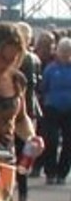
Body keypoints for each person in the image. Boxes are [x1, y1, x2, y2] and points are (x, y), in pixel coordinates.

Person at [0, 20, 35, 201]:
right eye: (3, 58)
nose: (7, 64)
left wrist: (32, 138)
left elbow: (21, 118)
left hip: (6, 159)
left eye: (14, 59)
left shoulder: (18, 81)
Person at [40, 37, 71, 185]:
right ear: (58, 52)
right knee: (51, 141)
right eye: (63, 51)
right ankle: (50, 172)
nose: (65, 54)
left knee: (68, 142)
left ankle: (62, 173)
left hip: (69, 109)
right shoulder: (51, 68)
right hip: (52, 107)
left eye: (68, 52)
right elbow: (44, 87)